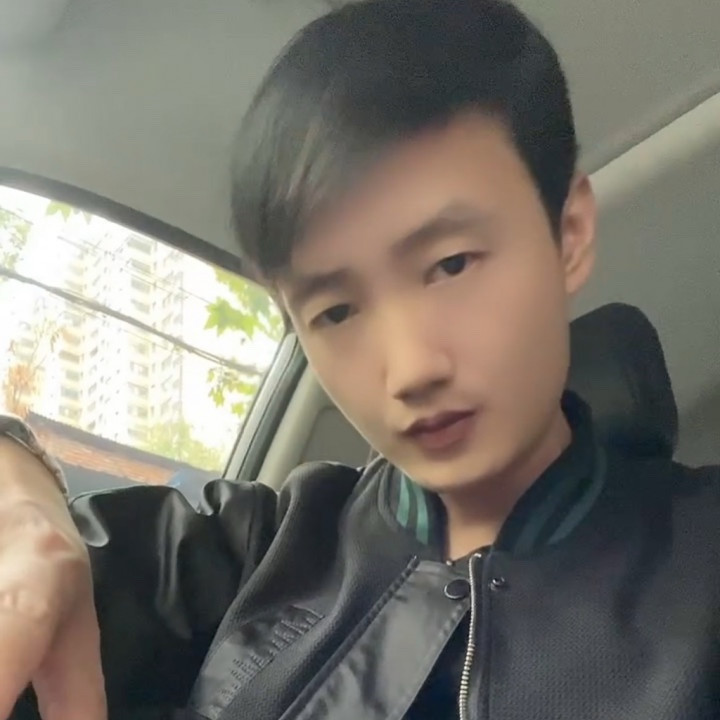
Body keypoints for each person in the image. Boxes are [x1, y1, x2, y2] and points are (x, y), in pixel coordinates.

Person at [1, 1, 718, 718]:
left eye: (451, 264)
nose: (411, 370)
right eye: (336, 312)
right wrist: (25, 500)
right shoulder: (265, 548)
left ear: (570, 232)